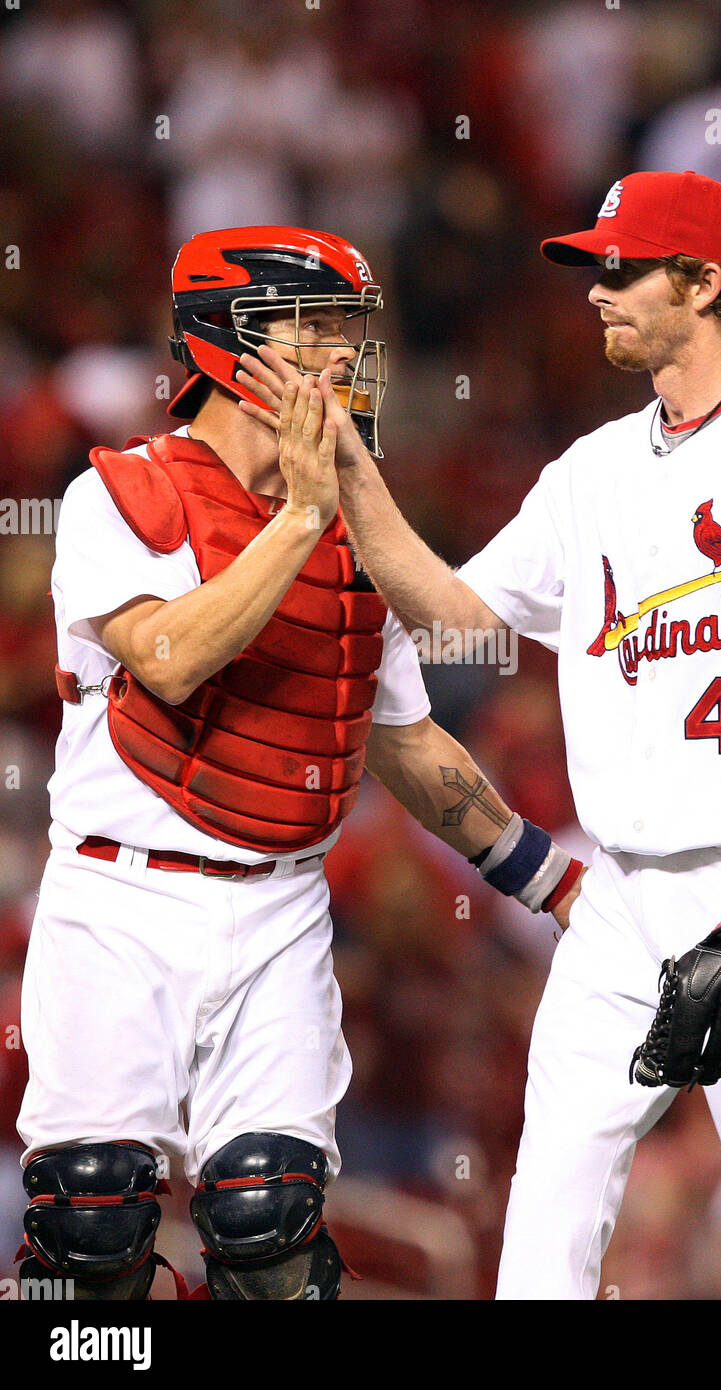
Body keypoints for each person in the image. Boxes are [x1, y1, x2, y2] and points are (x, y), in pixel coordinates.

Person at [238, 171, 721, 1300]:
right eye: (592, 268)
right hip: (616, 902)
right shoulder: (591, 472)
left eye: (622, 268)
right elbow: (457, 620)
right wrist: (353, 478)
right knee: (543, 1233)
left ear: (704, 283)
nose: (596, 291)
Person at [16, 226, 584, 1302]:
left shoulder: (361, 526)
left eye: (348, 334)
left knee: (270, 1224)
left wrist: (544, 878)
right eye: (315, 331)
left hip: (282, 907)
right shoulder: (121, 494)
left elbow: (403, 740)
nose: (344, 359)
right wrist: (305, 517)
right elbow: (171, 656)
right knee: (93, 1228)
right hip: (120, 898)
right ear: (229, 344)